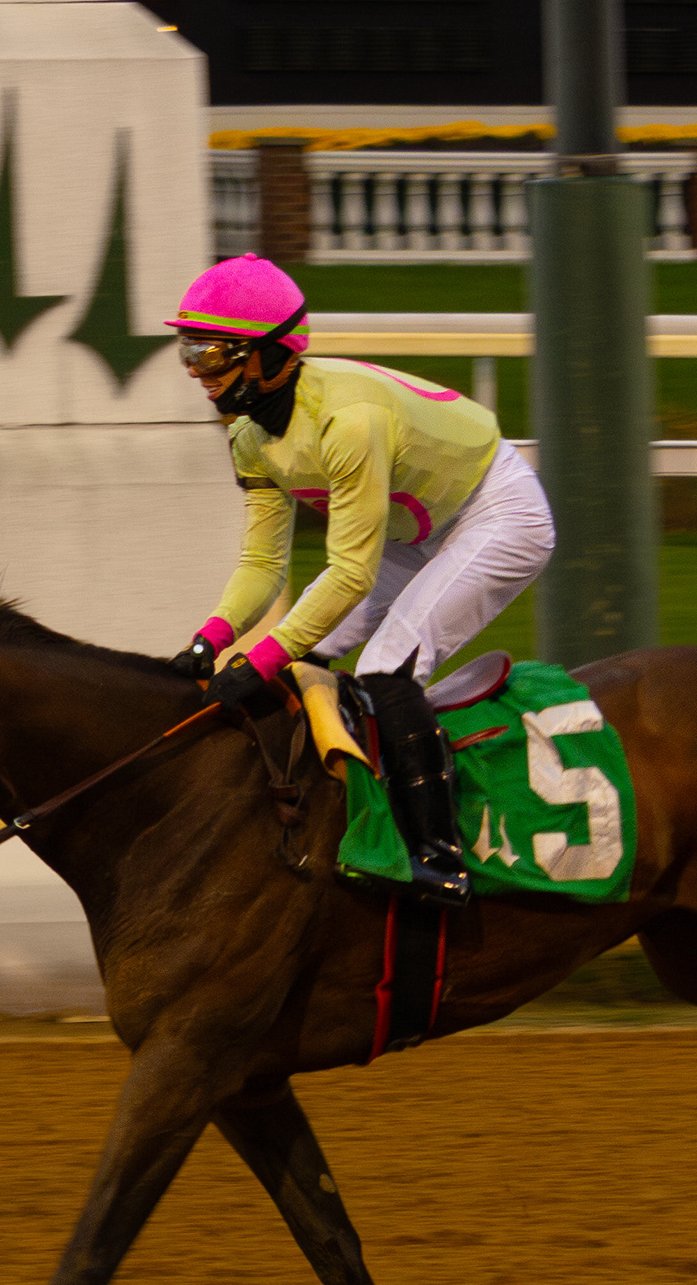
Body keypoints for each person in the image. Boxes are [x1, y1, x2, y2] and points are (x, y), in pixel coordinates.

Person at [166, 254, 556, 906]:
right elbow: (265, 565)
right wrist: (211, 638)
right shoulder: (248, 437)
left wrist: (260, 658)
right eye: (190, 353)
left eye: (214, 354)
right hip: (417, 529)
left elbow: (349, 573)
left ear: (272, 357)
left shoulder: (349, 422)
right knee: (308, 656)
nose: (199, 374)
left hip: (496, 510)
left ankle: (438, 856)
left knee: (384, 666)